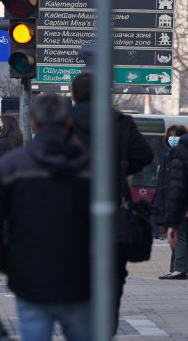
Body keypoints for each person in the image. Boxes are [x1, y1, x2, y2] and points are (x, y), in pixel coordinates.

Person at [0, 94, 91, 341]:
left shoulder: (13, 166)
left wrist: (9, 263)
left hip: (30, 277)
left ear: (32, 123)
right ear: (69, 121)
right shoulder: (90, 166)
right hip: (80, 278)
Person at [69, 71, 153, 334]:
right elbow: (144, 155)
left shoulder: (64, 123)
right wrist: (120, 168)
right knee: (112, 279)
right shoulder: (120, 122)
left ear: (73, 95)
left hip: (71, 215)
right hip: (112, 213)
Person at [152, 124, 188, 280]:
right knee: (173, 236)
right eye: (170, 135)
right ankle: (175, 268)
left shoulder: (180, 154)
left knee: (180, 235)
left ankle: (179, 269)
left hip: (179, 203)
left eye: (176, 135)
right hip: (169, 203)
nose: (172, 138)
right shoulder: (169, 154)